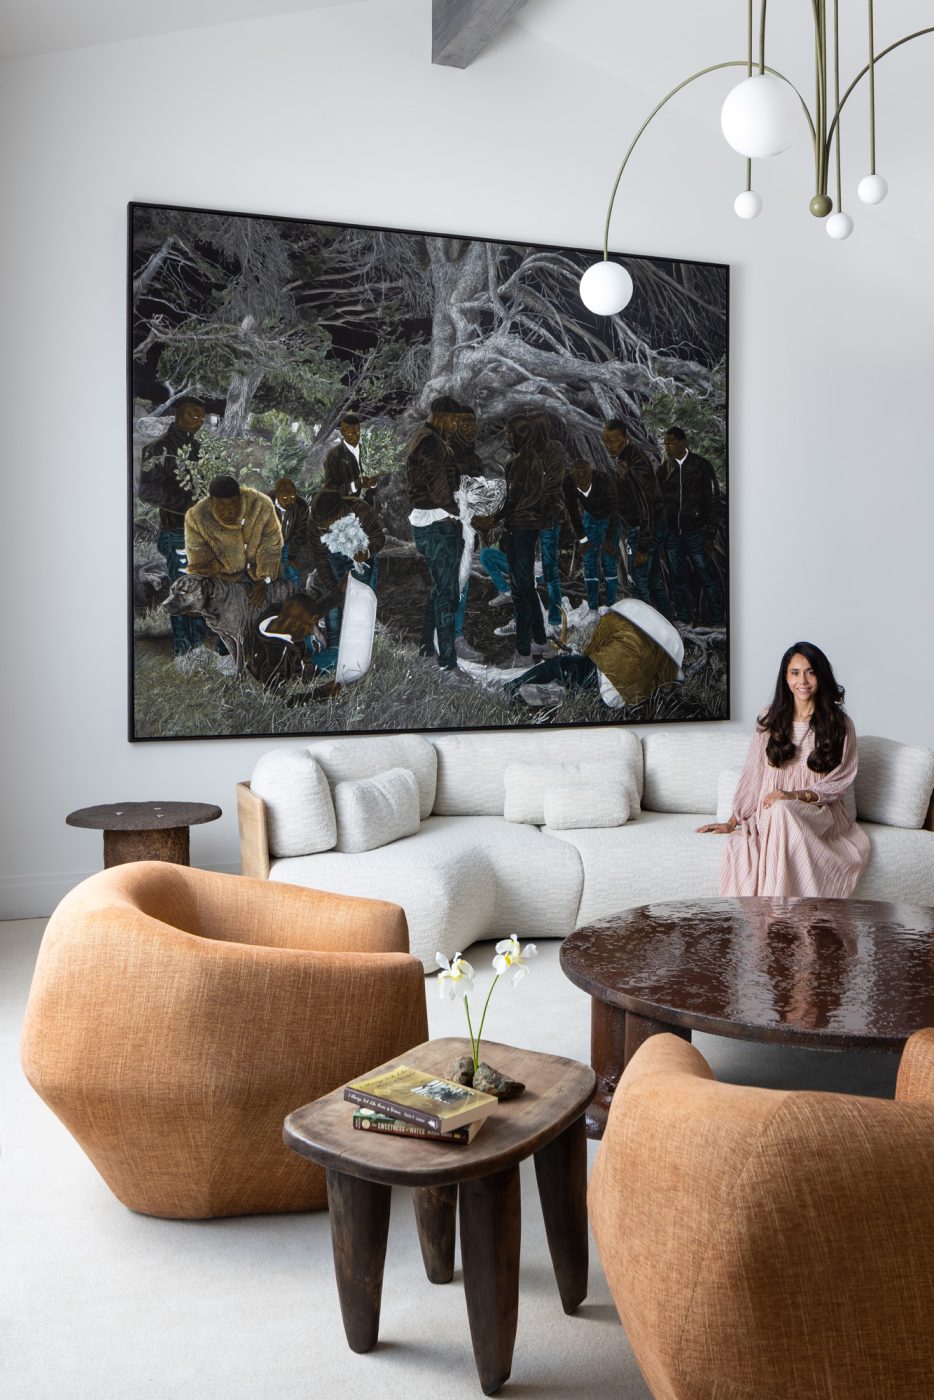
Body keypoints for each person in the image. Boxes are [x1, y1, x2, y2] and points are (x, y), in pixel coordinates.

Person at [697, 642, 870, 897]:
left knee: (782, 809)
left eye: (810, 672)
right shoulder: (769, 719)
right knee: (778, 811)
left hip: (818, 815)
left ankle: (777, 917)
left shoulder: (840, 724)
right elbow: (754, 774)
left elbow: (840, 781)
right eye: (795, 672)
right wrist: (734, 821)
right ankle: (789, 918)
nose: (803, 680)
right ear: (786, 678)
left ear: (821, 676)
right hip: (770, 814)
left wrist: (793, 796)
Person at [505, 599, 682, 709]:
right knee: (577, 690)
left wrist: (578, 655)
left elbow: (593, 649)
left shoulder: (616, 618)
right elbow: (665, 684)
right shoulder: (664, 650)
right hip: (624, 702)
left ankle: (512, 687)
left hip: (603, 677)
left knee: (557, 665)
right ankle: (566, 695)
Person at [406, 396, 471, 687]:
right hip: (437, 524)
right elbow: (439, 489)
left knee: (439, 591)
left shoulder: (427, 438)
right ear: (441, 416)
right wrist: (464, 510)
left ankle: (424, 650)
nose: (457, 426)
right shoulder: (430, 442)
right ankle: (447, 665)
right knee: (447, 594)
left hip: (432, 522)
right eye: (454, 420)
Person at [138, 397, 207, 658]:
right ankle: (182, 651)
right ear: (177, 414)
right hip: (176, 531)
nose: (198, 421)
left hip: (201, 532)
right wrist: (188, 505)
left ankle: (198, 648)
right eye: (193, 415)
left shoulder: (200, 448)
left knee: (200, 587)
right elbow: (147, 491)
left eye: (201, 417)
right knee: (181, 589)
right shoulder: (159, 449)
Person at [309, 446, 384, 647]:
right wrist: (334, 590)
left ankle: (359, 645)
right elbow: (320, 559)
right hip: (332, 558)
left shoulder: (360, 510)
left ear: (340, 513)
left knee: (361, 601)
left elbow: (378, 537)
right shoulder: (314, 523)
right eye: (320, 526)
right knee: (334, 606)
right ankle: (334, 646)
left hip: (362, 559)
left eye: (327, 525)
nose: (323, 529)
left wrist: (366, 552)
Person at [602, 419, 670, 617]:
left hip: (643, 529)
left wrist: (642, 546)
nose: (609, 446)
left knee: (638, 582)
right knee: (653, 579)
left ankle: (645, 630)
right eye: (606, 441)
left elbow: (645, 505)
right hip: (647, 527)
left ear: (625, 438)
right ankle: (667, 623)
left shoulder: (634, 464)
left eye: (614, 440)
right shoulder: (626, 458)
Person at [184, 475, 283, 609]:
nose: (228, 513)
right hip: (225, 580)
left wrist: (265, 579)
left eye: (232, 507)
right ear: (212, 502)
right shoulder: (196, 518)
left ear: (240, 499)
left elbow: (271, 545)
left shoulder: (261, 505)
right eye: (221, 508)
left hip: (262, 574)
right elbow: (201, 564)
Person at [660, 426, 724, 626]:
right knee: (678, 578)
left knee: (707, 576)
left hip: (697, 533)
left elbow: (712, 499)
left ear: (683, 443)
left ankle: (718, 621)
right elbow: (659, 501)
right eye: (665, 444)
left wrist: (711, 534)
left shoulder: (701, 466)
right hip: (673, 535)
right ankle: (684, 619)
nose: (667, 448)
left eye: (671, 443)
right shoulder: (664, 470)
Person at [564, 459, 621, 621]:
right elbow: (573, 511)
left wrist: (610, 540)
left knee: (609, 561)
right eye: (578, 480)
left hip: (608, 518)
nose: (582, 483)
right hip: (590, 518)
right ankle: (592, 608)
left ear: (591, 475)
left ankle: (612, 607)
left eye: (585, 480)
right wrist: (582, 539)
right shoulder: (568, 483)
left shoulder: (603, 480)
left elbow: (615, 510)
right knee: (589, 561)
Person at [268, 477, 312, 584]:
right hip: (269, 542)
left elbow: (301, 532)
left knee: (291, 572)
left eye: (292, 497)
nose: (289, 501)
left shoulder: (302, 506)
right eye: (285, 498)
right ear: (277, 494)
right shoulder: (266, 503)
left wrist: (291, 555)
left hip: (290, 541)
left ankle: (293, 593)